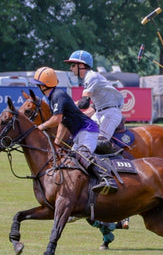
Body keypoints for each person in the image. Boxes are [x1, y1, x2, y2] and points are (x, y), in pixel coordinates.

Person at [31, 66, 117, 194]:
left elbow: (57, 119)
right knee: (70, 161)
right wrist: (57, 143)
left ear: (45, 85)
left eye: (39, 84)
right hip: (79, 133)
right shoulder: (53, 98)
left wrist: (42, 127)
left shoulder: (58, 95)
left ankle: (107, 178)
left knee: (83, 155)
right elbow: (63, 123)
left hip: (88, 129)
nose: (38, 87)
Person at [65, 50, 124, 153]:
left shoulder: (91, 76)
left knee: (99, 142)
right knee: (81, 136)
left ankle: (119, 159)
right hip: (100, 112)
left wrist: (69, 107)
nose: (71, 68)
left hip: (110, 113)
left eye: (73, 65)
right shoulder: (89, 78)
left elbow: (84, 103)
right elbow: (93, 106)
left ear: (82, 65)